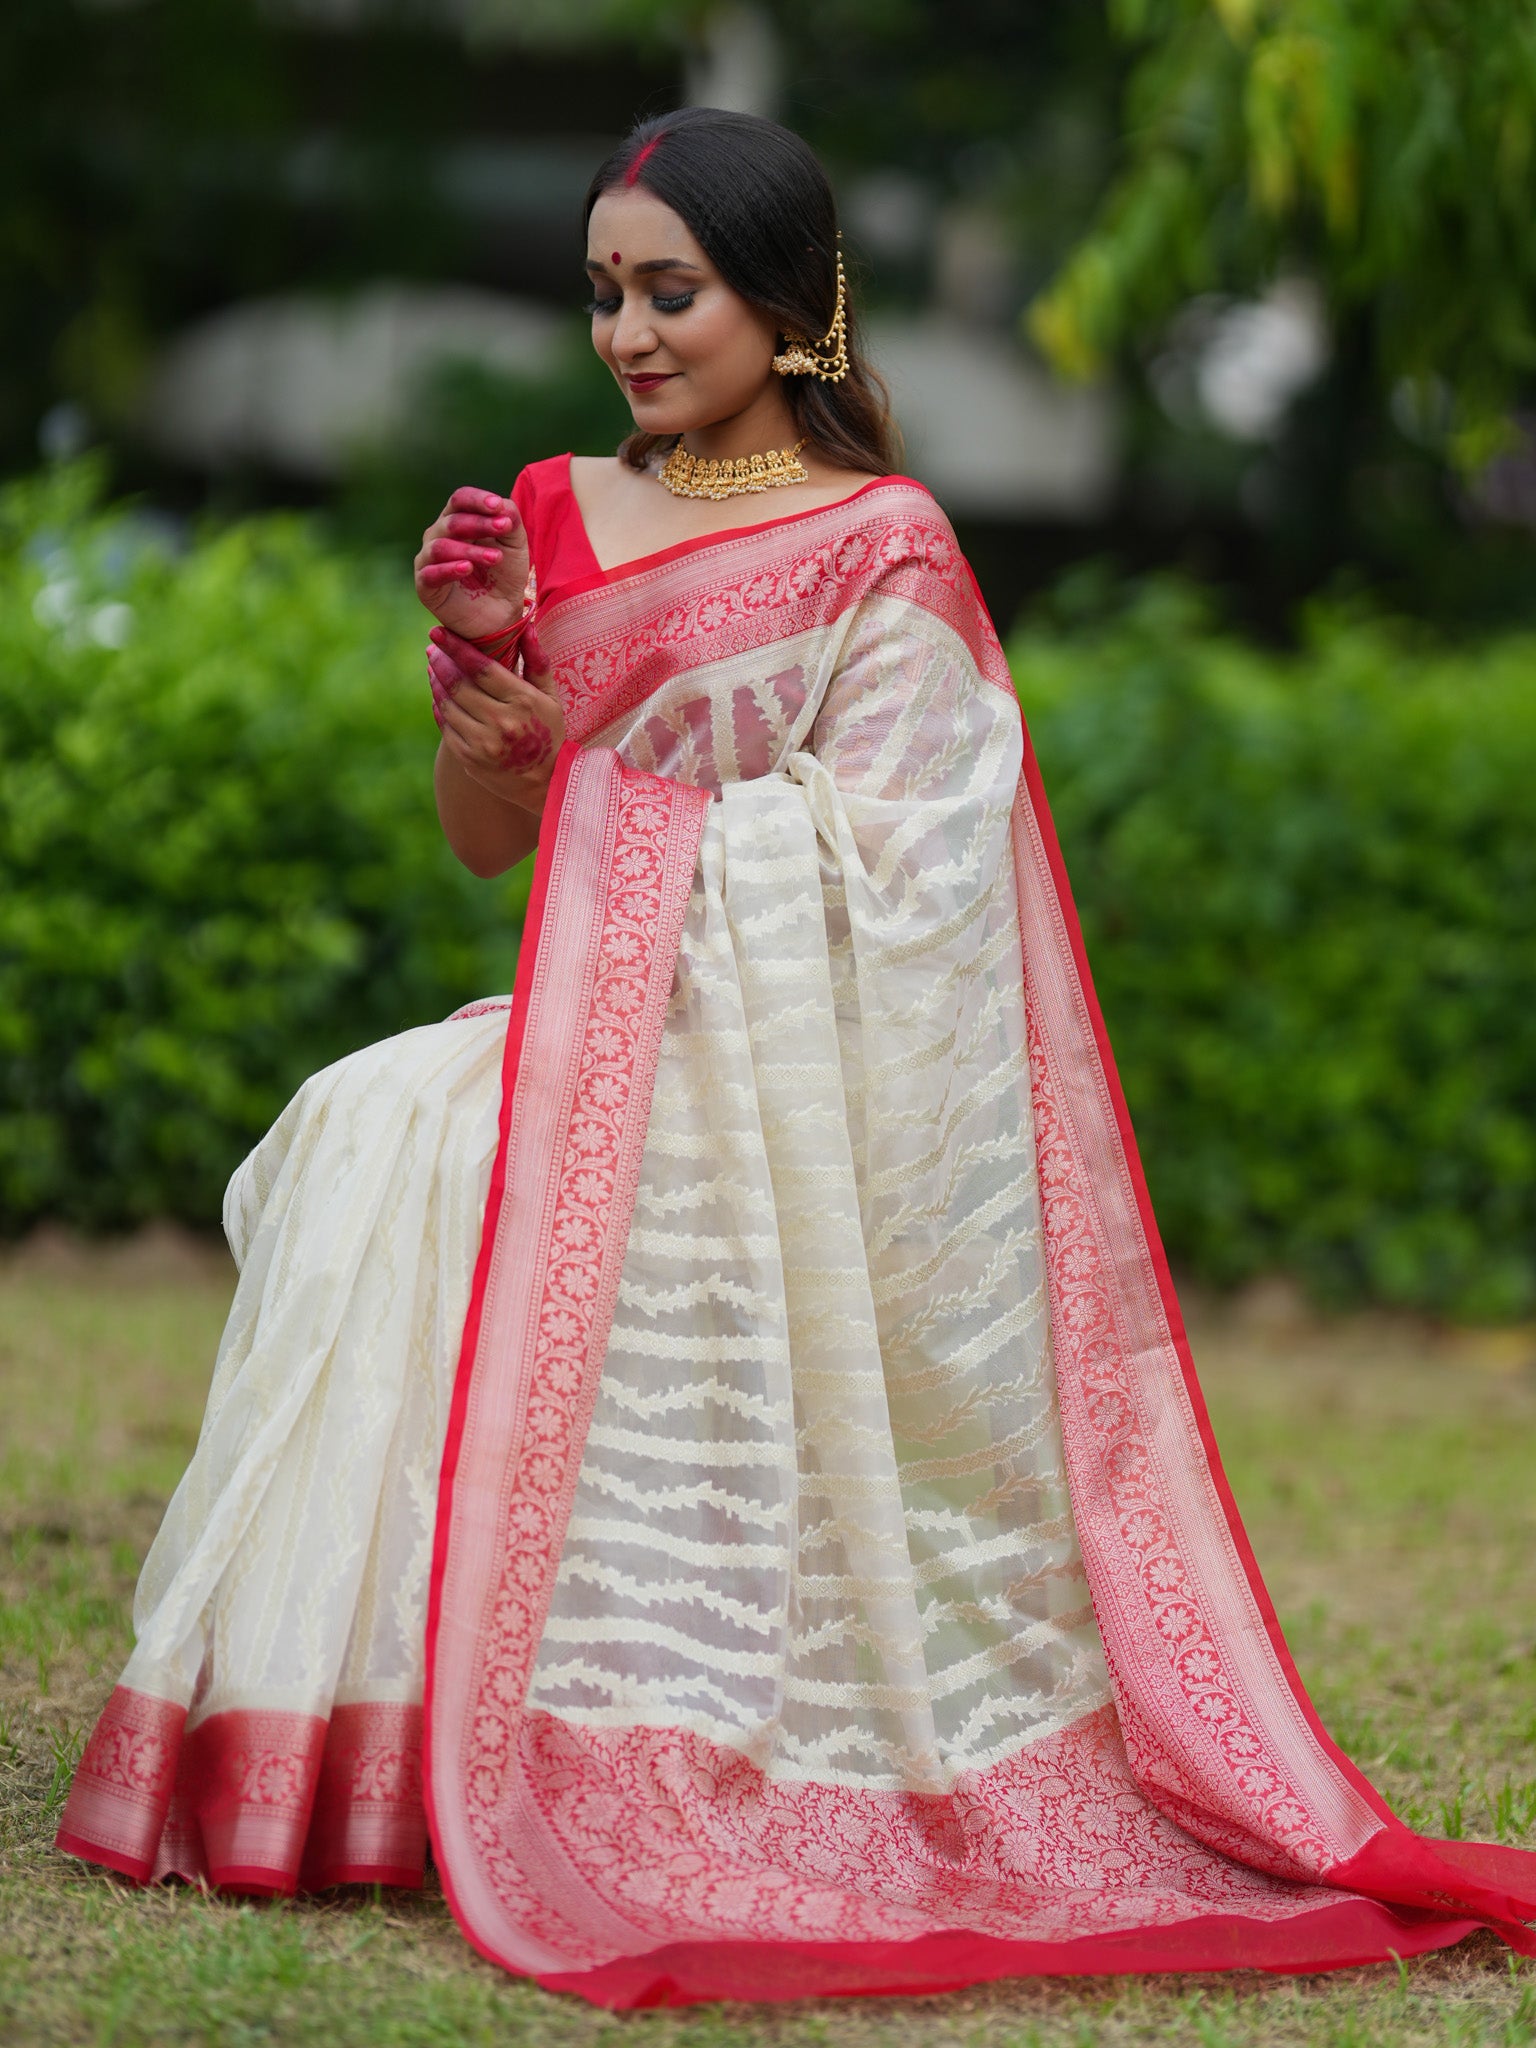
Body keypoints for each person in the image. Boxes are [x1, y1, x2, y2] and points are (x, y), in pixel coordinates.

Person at [57, 106, 1536, 2008]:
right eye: (603, 294)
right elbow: (491, 838)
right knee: (381, 1119)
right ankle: (358, 1755)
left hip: (784, 1086)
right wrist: (497, 707)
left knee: (438, 1135)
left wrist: (628, 821)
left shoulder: (882, 541)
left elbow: (917, 873)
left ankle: (635, 1741)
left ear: (787, 300)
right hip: (602, 1041)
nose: (628, 335)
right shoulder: (560, 512)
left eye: (669, 291)